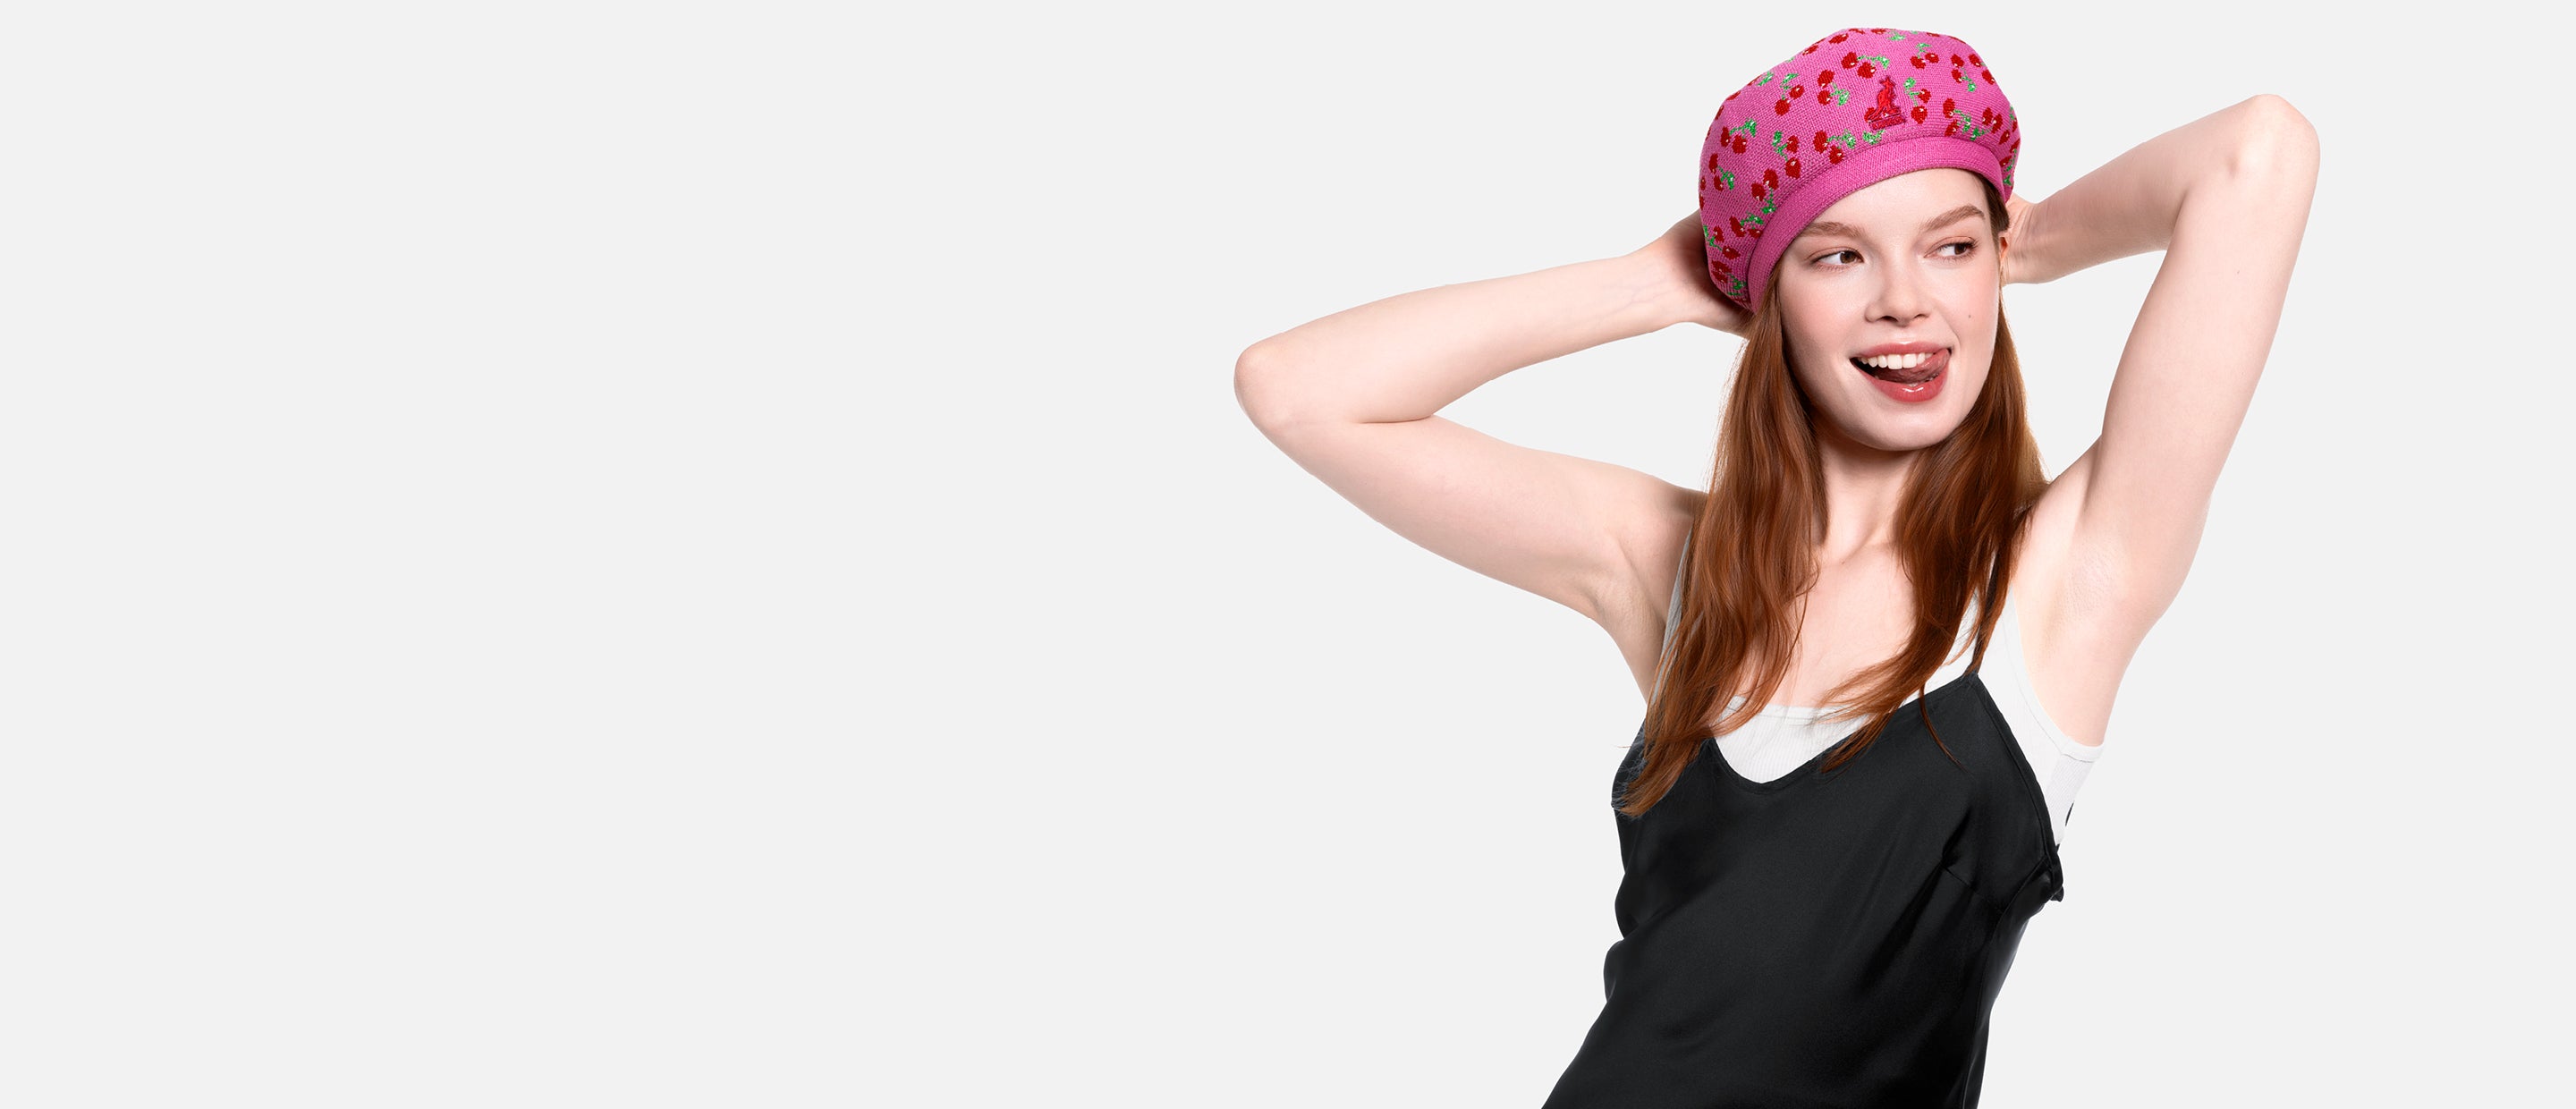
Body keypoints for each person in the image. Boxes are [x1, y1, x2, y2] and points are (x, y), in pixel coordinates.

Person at [1234, 25, 2317, 1107]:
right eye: (1838, 254)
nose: (1903, 299)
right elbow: (1296, 389)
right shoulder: (1673, 566)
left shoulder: (2066, 584)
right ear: (1769, 299)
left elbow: (2258, 155)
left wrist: (2024, 239)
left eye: (1949, 248)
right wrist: (1656, 280)